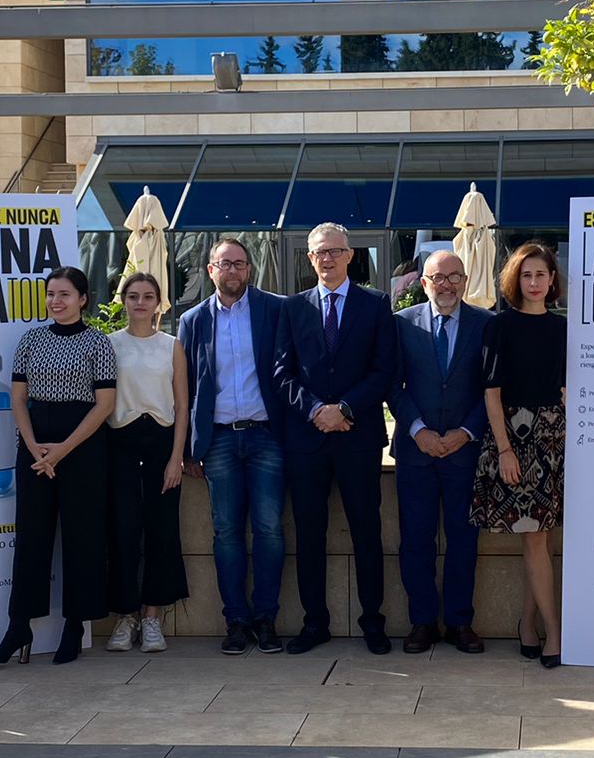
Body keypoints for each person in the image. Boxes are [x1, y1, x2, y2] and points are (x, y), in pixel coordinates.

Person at [0, 267, 116, 665]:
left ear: (83, 299)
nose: (56, 301)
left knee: (81, 537)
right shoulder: (31, 339)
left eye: (65, 294)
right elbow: (18, 399)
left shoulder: (98, 343)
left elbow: (104, 405)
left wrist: (62, 450)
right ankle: (18, 625)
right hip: (35, 447)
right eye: (51, 294)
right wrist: (35, 447)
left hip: (83, 447)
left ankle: (74, 625)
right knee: (32, 537)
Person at [275, 223, 397, 655]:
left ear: (350, 255)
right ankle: (314, 623)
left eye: (334, 251)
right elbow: (282, 373)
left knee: (366, 531)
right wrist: (315, 411)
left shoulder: (377, 304)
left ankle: (373, 622)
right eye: (318, 253)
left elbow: (384, 371)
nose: (326, 259)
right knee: (309, 534)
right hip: (307, 441)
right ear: (309, 259)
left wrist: (344, 409)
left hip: (357, 437)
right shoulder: (293, 308)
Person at [179, 238, 291, 655]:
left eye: (240, 264)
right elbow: (188, 387)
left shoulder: (274, 309)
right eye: (224, 264)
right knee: (226, 532)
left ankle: (266, 617)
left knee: (269, 530)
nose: (233, 271)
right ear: (211, 270)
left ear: (249, 269)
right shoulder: (193, 320)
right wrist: (191, 448)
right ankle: (236, 621)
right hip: (220, 439)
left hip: (266, 436)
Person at [472, 243, 568, 667]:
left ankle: (528, 627)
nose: (534, 283)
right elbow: (491, 394)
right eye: (527, 275)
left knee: (539, 537)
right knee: (535, 537)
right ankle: (556, 636)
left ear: (552, 281)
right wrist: (506, 450)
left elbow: (566, 385)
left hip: (555, 438)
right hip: (514, 436)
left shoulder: (564, 329)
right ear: (515, 279)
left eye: (541, 275)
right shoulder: (499, 327)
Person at [390, 249, 491, 654]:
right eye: (437, 277)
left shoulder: (486, 325)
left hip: (465, 452)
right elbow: (391, 385)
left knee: (464, 540)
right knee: (416, 539)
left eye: (454, 276)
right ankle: (421, 623)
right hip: (416, 452)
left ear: (465, 281)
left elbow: (493, 389)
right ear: (423, 283)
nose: (446, 284)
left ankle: (460, 623)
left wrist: (467, 431)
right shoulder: (399, 325)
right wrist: (418, 431)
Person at [106, 270, 189, 653]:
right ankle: (125, 617)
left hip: (160, 442)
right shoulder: (108, 344)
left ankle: (152, 616)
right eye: (134, 295)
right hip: (119, 442)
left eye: (148, 296)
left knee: (161, 531)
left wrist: (176, 458)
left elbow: (182, 405)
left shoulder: (171, 344)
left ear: (159, 303)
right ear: (123, 300)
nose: (140, 303)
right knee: (122, 532)